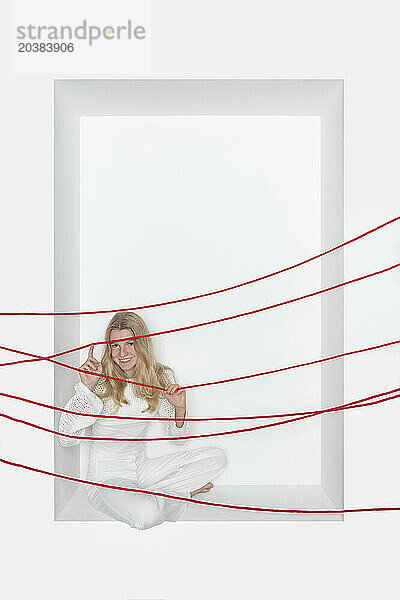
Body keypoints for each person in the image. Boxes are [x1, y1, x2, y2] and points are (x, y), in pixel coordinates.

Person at [58, 311, 227, 530]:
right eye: (115, 346)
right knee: (146, 515)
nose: (122, 353)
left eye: (130, 343)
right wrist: (86, 388)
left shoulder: (160, 376)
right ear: (108, 349)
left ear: (142, 343)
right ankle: (183, 495)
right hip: (105, 481)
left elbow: (177, 438)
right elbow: (66, 439)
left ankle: (152, 495)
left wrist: (180, 407)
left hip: (141, 470)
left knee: (217, 458)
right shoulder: (100, 381)